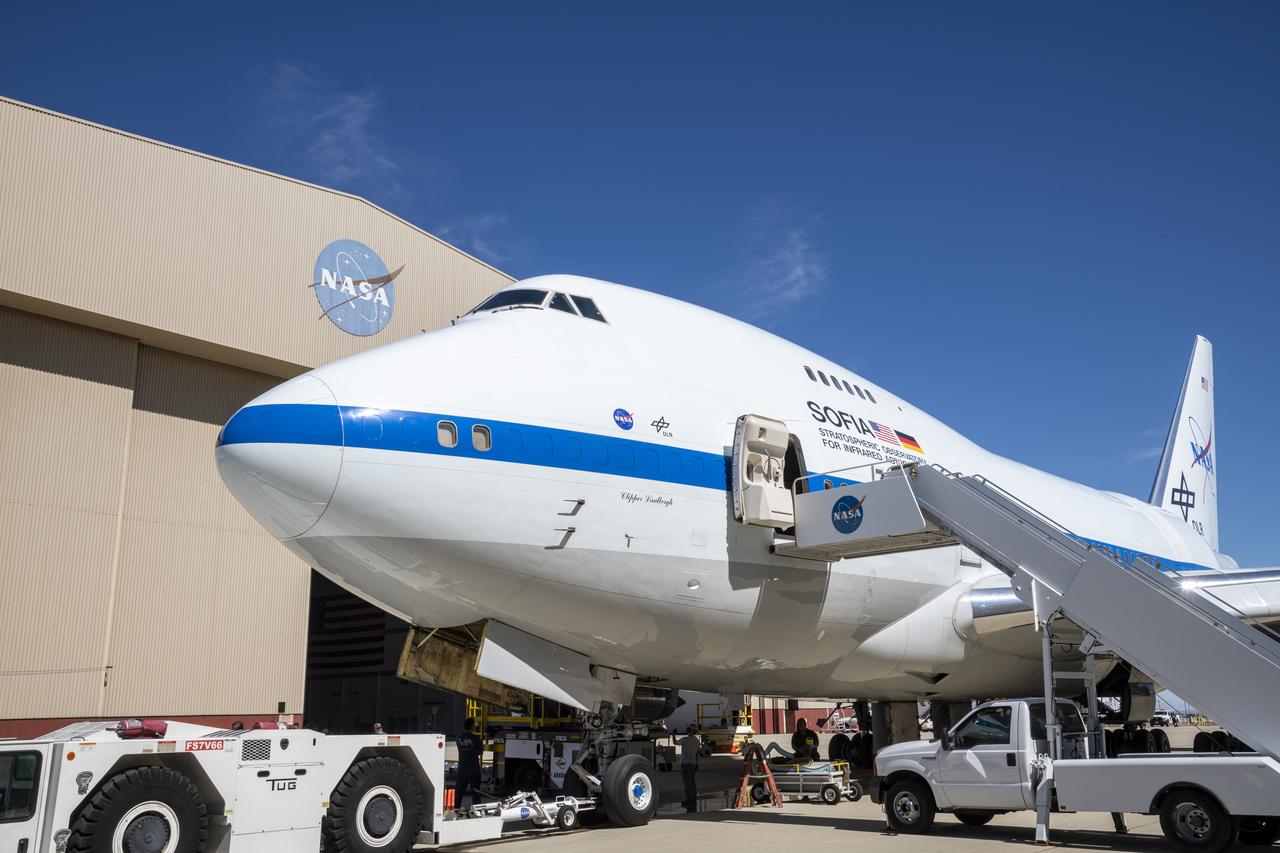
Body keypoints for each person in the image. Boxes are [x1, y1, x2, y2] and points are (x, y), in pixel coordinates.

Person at [456, 717, 483, 808]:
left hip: (462, 769)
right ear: (472, 727)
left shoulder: (458, 738)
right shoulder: (476, 738)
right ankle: (476, 811)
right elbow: (480, 752)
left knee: (459, 794)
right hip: (474, 770)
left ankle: (456, 809)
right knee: (476, 794)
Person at [678, 724, 701, 812]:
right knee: (692, 783)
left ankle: (689, 800)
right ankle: (693, 799)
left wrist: (673, 734)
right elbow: (697, 753)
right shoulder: (696, 740)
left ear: (689, 730)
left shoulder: (684, 739)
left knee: (687, 784)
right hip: (693, 764)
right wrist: (696, 763)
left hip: (686, 764)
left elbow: (675, 743)